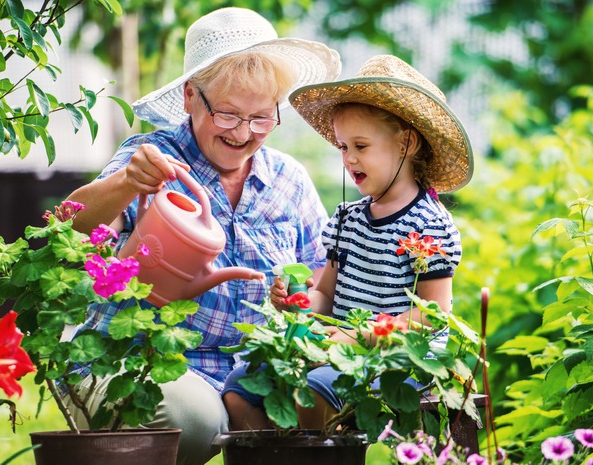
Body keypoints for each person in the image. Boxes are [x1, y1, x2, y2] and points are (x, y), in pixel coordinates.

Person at [60, 7, 341, 465]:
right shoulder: (150, 159)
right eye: (228, 115)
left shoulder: (289, 181)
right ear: (191, 96)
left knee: (317, 400)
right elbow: (72, 227)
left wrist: (301, 300)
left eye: (261, 118)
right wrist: (127, 184)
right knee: (187, 420)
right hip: (143, 357)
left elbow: (317, 283)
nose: (244, 134)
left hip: (250, 371)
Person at [222, 54, 474, 430]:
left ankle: (315, 452)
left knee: (311, 389)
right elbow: (326, 295)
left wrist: (358, 335)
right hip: (337, 350)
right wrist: (299, 303)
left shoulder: (429, 225)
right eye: (342, 147)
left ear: (406, 143)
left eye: (361, 145)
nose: (349, 158)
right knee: (239, 387)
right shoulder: (346, 219)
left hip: (397, 360)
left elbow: (430, 317)